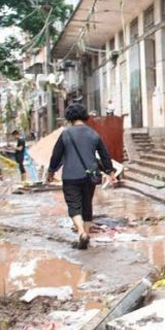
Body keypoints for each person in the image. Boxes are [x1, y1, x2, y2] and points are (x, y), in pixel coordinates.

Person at [46, 103, 117, 249]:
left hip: (70, 176)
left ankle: (81, 233)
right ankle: (86, 233)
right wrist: (110, 172)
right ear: (84, 116)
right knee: (87, 205)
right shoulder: (93, 134)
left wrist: (51, 172)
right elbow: (104, 155)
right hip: (90, 176)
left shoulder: (65, 134)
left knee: (74, 205)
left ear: (69, 117)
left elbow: (56, 155)